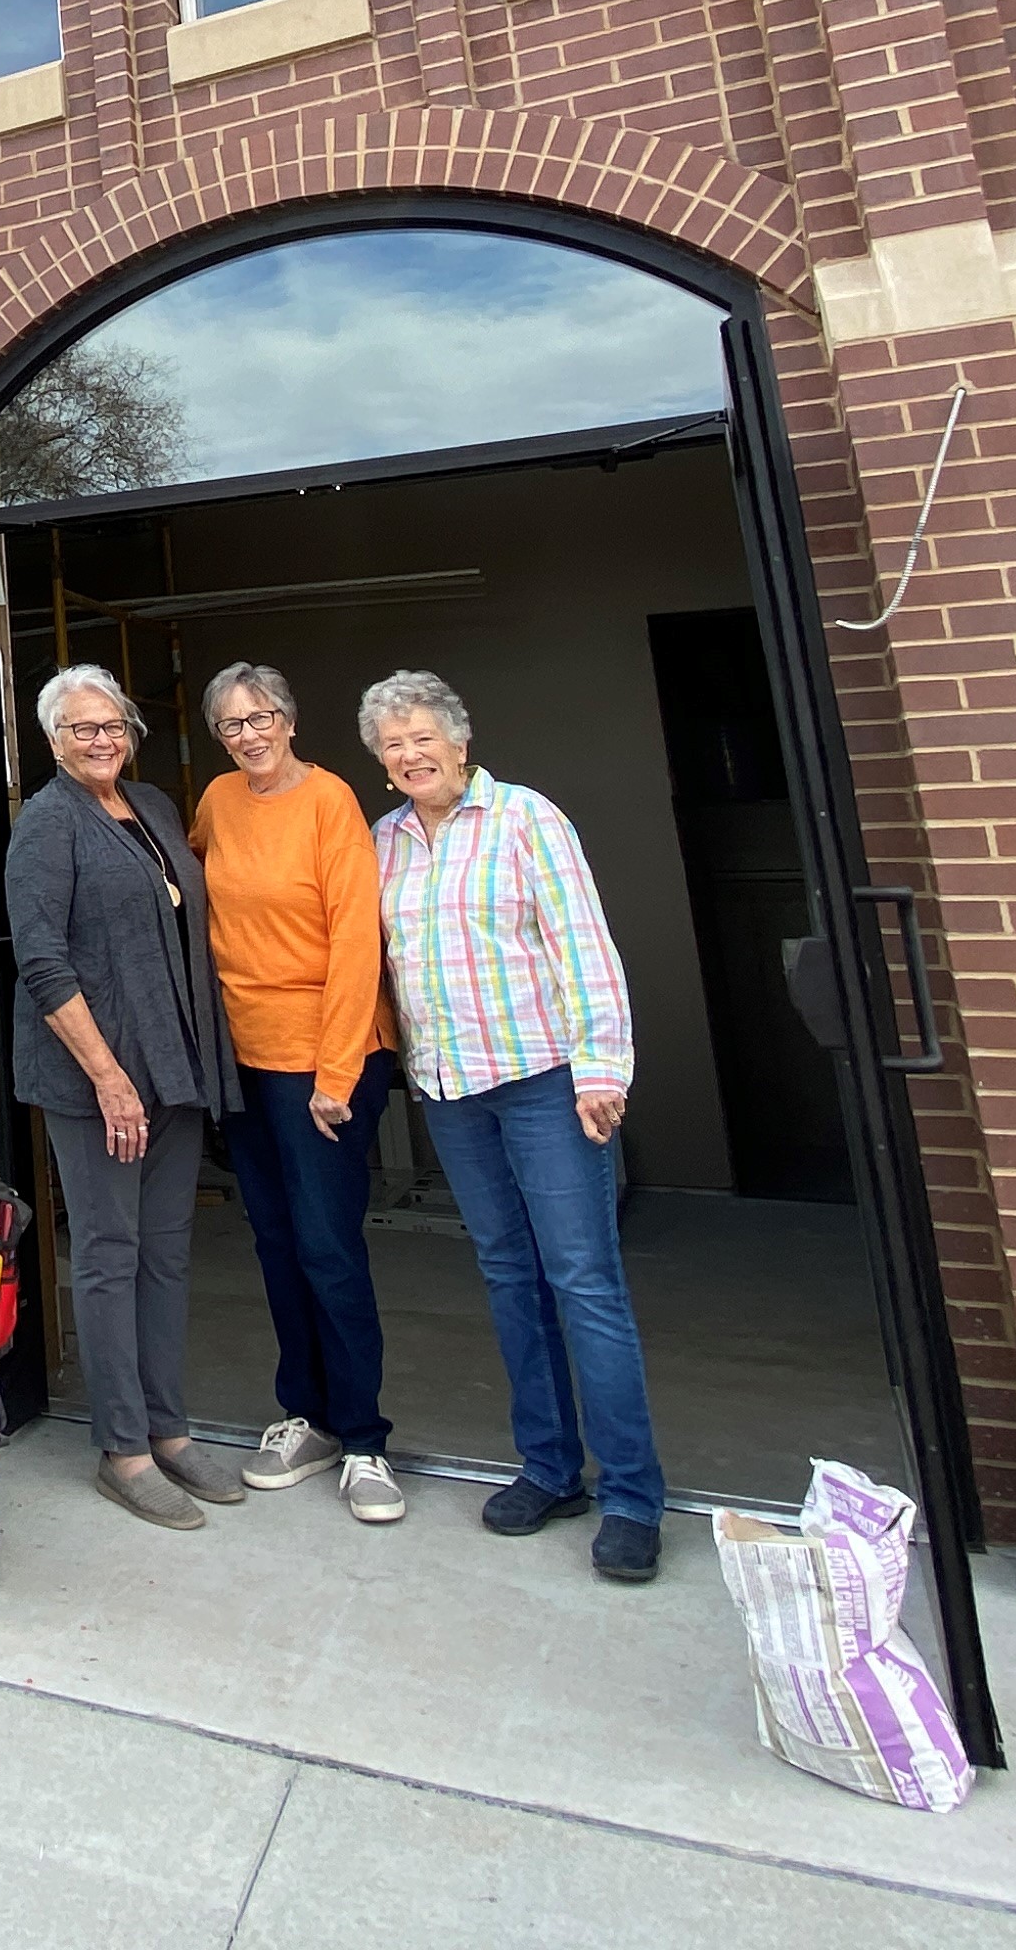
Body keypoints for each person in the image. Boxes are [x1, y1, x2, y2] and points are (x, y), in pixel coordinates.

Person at [360, 668, 669, 1582]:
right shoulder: (385, 842)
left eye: (422, 738)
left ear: (459, 740)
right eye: (392, 746)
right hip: (452, 1090)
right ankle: (548, 1468)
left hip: (544, 1082)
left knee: (584, 1280)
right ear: (382, 766)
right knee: (507, 1275)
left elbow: (584, 943)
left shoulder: (528, 818)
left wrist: (602, 1068)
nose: (410, 755)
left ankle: (632, 1496)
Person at [4, 662, 245, 1530]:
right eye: (81, 729)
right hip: (97, 1080)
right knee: (109, 1254)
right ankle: (124, 1449)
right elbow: (43, 963)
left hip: (172, 1067)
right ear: (53, 740)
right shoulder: (45, 825)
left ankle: (170, 1430)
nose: (100, 740)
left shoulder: (153, 807)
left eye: (111, 726)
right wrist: (108, 1078)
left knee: (167, 1254)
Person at [187, 661, 408, 1527]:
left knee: (328, 1247)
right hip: (245, 1059)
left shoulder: (330, 802)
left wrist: (337, 1072)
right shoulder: (215, 801)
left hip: (325, 1057)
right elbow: (194, 896)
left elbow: (358, 938)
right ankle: (304, 1416)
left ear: (289, 719)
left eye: (263, 715)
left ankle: (364, 1438)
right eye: (232, 723)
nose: (249, 733)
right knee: (276, 1242)